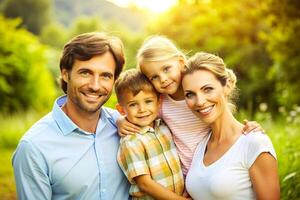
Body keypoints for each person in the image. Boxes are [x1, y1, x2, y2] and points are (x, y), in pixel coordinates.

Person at [118, 35, 262, 177]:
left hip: (215, 167)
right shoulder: (161, 103)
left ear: (181, 62)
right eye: (154, 77)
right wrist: (120, 120)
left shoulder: (201, 99)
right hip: (184, 176)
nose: (163, 79)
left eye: (167, 69)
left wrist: (249, 127)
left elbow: (225, 121)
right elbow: (137, 112)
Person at [12, 32, 130, 200]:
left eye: (105, 75)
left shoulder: (125, 125)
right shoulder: (34, 147)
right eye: (86, 73)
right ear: (66, 74)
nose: (95, 86)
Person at [182, 52, 280, 200]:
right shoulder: (200, 146)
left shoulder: (254, 143)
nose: (199, 101)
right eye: (190, 94)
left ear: (227, 86)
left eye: (207, 89)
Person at [115, 69, 188, 200]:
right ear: (121, 110)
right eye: (133, 104)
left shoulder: (164, 127)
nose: (142, 109)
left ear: (159, 102)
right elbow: (145, 184)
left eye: (148, 101)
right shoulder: (131, 141)